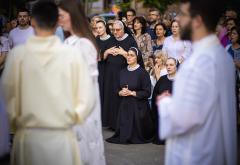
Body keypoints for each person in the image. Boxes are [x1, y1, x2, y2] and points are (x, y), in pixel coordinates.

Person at [1, 1, 95, 165]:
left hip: (28, 137)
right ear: (57, 22)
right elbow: (86, 98)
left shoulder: (18, 56)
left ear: (33, 21)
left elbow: (7, 98)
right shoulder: (71, 55)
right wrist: (72, 118)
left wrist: (17, 123)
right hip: (62, 135)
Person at [157, 0, 237, 164]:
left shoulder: (195, 64)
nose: (178, 19)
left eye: (183, 14)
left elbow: (184, 119)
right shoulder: (223, 56)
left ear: (198, 20)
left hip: (196, 153)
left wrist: (165, 103)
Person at [58, 0, 106, 164]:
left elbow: (88, 85)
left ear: (72, 16)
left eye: (62, 16)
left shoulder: (84, 44)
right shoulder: (67, 42)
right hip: (68, 104)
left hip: (81, 109)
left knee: (85, 152)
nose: (59, 20)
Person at [106, 47, 154, 144]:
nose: (128, 57)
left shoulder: (142, 73)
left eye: (131, 55)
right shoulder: (122, 72)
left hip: (139, 107)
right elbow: (116, 89)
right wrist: (121, 92)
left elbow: (147, 92)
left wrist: (132, 93)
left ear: (137, 58)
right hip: (125, 106)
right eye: (128, 55)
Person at [102, 20, 139, 130]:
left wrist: (124, 53)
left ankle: (120, 123)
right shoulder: (111, 39)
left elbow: (136, 58)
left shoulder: (130, 40)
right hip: (109, 74)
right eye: (113, 30)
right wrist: (107, 52)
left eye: (118, 30)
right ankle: (111, 123)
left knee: (120, 98)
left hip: (123, 74)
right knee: (110, 97)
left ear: (123, 29)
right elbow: (101, 57)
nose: (115, 32)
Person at [151, 57, 177, 144]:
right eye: (167, 65)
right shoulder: (162, 79)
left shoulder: (181, 79)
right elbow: (155, 94)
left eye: (171, 65)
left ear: (176, 66)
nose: (168, 67)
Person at [95, 20, 116, 115]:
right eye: (97, 28)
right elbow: (96, 57)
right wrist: (106, 52)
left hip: (109, 69)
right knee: (99, 92)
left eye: (100, 27)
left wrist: (103, 54)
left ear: (105, 27)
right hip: (99, 69)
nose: (98, 30)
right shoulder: (96, 40)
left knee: (107, 93)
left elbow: (112, 55)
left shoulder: (112, 39)